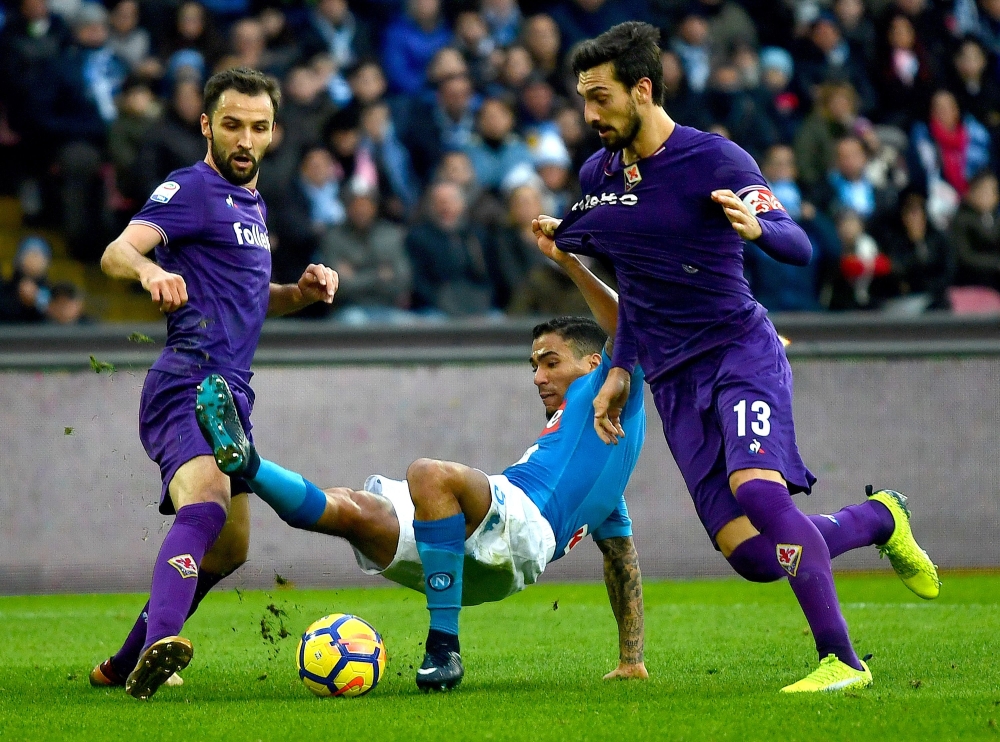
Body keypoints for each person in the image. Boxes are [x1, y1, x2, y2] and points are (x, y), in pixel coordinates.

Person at [536, 22, 941, 693]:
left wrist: (760, 228)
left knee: (760, 489)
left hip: (737, 352)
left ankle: (843, 661)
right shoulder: (597, 177)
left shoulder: (714, 161)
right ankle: (880, 518)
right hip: (672, 380)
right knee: (754, 554)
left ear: (643, 89)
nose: (589, 114)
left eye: (601, 97)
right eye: (583, 98)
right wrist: (616, 371)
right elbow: (634, 288)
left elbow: (797, 242)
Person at [194, 243, 647, 692]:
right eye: (533, 366)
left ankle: (443, 646)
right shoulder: (606, 455)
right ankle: (248, 464)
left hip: (520, 522)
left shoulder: (609, 392)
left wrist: (568, 262)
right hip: (479, 566)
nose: (537, 377)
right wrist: (631, 659)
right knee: (351, 509)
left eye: (550, 363)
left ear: (595, 363)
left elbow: (630, 324)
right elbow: (621, 557)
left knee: (429, 473)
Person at [88, 67, 338, 701]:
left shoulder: (253, 203)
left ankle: (122, 662)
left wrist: (299, 296)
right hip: (190, 379)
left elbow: (249, 300)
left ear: (274, 132)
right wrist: (148, 273)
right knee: (205, 504)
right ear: (206, 126)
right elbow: (117, 250)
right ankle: (157, 651)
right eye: (232, 125)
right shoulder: (192, 188)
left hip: (232, 392)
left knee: (228, 551)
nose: (245, 140)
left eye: (258, 127)